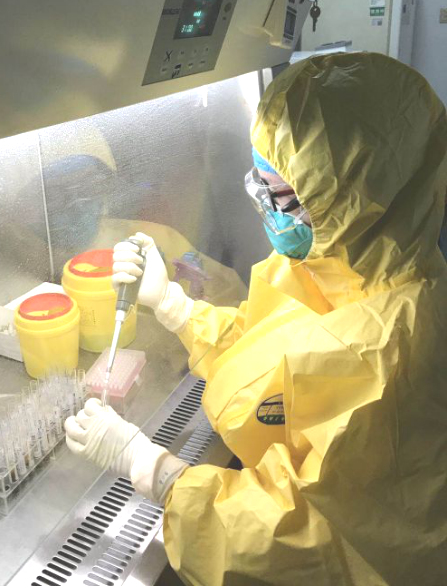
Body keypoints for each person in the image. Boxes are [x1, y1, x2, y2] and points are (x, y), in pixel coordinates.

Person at [65, 52, 447, 586]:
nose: (265, 205)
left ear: (359, 202)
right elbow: (270, 348)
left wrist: (154, 469)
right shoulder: (337, 259)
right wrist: (175, 306)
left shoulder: (393, 346)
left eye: (284, 195)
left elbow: (306, 533)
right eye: (259, 181)